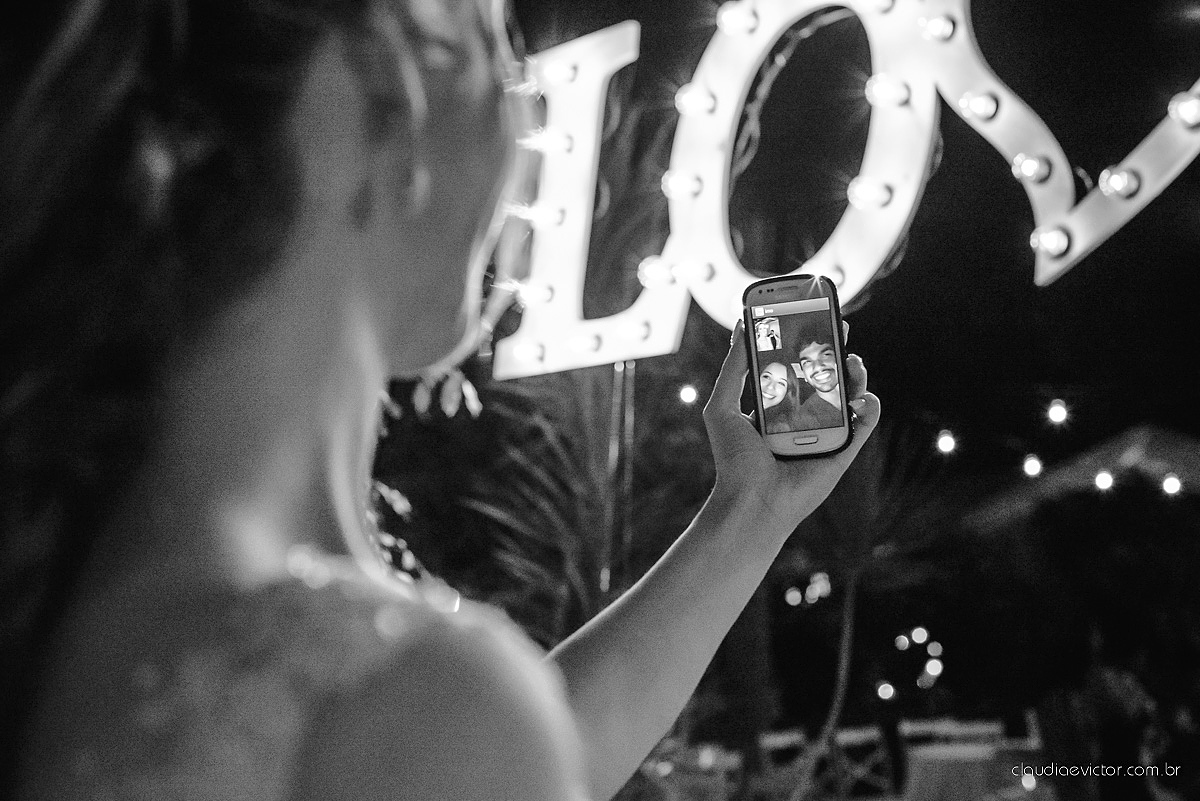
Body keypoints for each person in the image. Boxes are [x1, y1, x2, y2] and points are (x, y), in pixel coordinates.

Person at [0, 1, 881, 800]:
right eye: (501, 61)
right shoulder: (415, 710)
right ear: (394, 118)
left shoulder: (84, 619)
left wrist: (746, 514)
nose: (530, 120)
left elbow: (524, 740)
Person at [792, 337, 845, 429]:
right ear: (803, 374)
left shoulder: (861, 392)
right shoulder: (802, 419)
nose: (817, 367)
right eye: (807, 362)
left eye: (826, 355)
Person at [760, 361, 803, 435]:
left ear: (788, 392)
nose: (770, 386)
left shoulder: (780, 428)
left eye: (781, 383)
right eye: (766, 377)